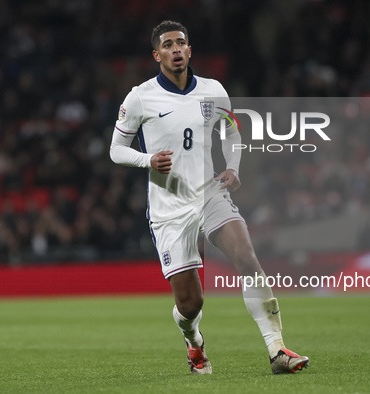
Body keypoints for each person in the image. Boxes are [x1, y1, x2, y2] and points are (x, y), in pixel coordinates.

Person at [110, 20, 308, 375]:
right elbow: (115, 149)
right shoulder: (140, 96)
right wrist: (147, 160)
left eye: (180, 43)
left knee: (247, 258)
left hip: (209, 194)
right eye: (167, 45)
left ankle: (277, 350)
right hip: (169, 207)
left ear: (189, 50)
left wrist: (233, 166)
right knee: (190, 303)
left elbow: (231, 131)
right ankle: (194, 342)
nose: (175, 49)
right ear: (157, 55)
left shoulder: (214, 90)